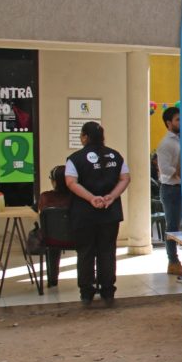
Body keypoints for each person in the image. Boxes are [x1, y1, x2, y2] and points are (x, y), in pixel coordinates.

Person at [65, 121, 130, 308]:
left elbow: (71, 182)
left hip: (84, 214)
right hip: (110, 212)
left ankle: (86, 292)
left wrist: (91, 198)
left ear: (85, 137)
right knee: (107, 251)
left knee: (85, 252)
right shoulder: (115, 156)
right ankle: (108, 290)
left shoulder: (75, 159)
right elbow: (125, 178)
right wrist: (111, 196)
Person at [156, 107, 182, 275]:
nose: (181, 122)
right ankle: (173, 261)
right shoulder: (165, 143)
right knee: (173, 226)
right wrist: (181, 171)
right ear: (168, 123)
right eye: (178, 119)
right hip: (171, 189)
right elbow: (164, 169)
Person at [38, 165, 73, 287]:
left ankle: (52, 279)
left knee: (53, 243)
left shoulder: (45, 197)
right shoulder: (78, 197)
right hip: (79, 239)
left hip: (52, 240)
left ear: (54, 182)